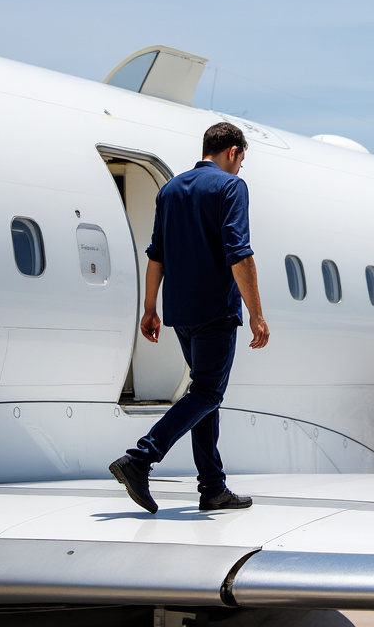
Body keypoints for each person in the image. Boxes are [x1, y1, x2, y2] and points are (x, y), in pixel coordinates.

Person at [110, 122, 269, 514]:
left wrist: (149, 308)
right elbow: (239, 253)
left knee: (203, 394)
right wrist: (257, 315)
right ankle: (140, 459)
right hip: (216, 309)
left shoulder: (170, 190)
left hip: (179, 312)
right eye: (241, 161)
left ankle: (213, 487)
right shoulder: (231, 187)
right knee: (209, 393)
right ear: (232, 152)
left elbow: (156, 255)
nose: (240, 169)